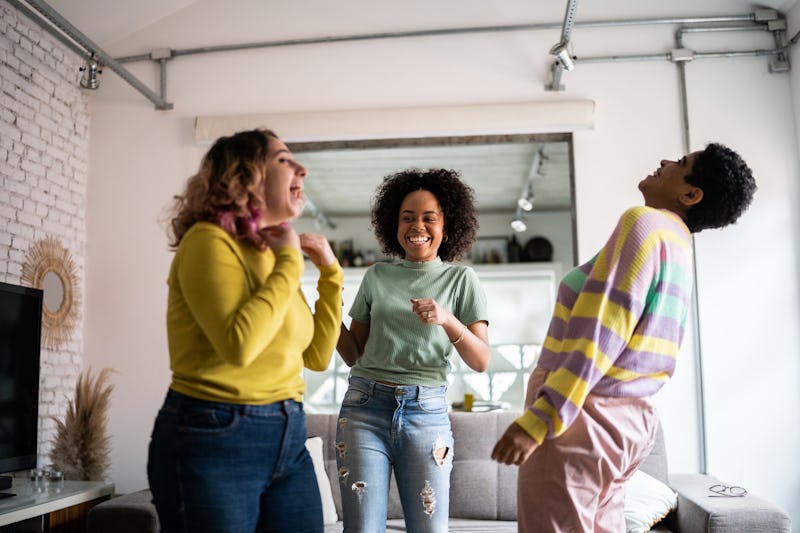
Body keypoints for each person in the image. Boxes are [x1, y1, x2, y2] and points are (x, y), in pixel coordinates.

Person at [491, 143, 757, 532]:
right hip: (630, 423)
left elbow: (601, 329)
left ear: (690, 194)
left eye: (681, 164)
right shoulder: (679, 245)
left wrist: (541, 418)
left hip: (582, 417)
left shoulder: (644, 223)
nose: (665, 161)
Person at [147, 128, 344, 533]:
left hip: (290, 435)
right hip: (213, 432)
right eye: (285, 160)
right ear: (245, 175)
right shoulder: (208, 241)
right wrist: (290, 260)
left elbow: (318, 357)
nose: (302, 169)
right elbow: (239, 345)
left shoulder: (269, 254)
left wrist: (330, 272)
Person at [335, 168, 491, 533]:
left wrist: (448, 320)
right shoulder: (376, 276)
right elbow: (353, 353)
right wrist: (326, 316)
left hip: (427, 413)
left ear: (446, 227)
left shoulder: (461, 280)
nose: (416, 226)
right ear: (394, 225)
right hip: (364, 409)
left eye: (428, 218)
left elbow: (481, 360)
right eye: (407, 217)